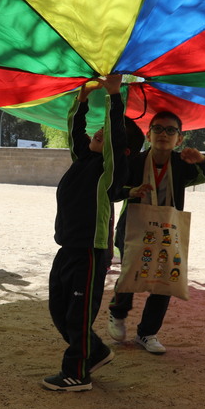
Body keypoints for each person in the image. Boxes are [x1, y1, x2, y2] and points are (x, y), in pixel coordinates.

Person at [42, 74, 141, 392]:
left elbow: (115, 140)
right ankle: (95, 351)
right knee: (58, 308)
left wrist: (114, 96)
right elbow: (75, 133)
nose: (100, 133)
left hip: (90, 250)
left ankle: (77, 373)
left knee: (77, 314)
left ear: (121, 149)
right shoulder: (83, 160)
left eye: (107, 132)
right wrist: (81, 100)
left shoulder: (110, 173)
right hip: (67, 247)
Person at [107, 110, 205, 354]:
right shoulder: (134, 162)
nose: (164, 134)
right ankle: (117, 313)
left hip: (167, 231)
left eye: (171, 130)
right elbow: (113, 191)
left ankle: (147, 333)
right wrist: (132, 191)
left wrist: (201, 159)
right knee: (130, 273)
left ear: (179, 139)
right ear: (148, 134)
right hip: (132, 229)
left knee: (164, 280)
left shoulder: (183, 163)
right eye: (158, 129)